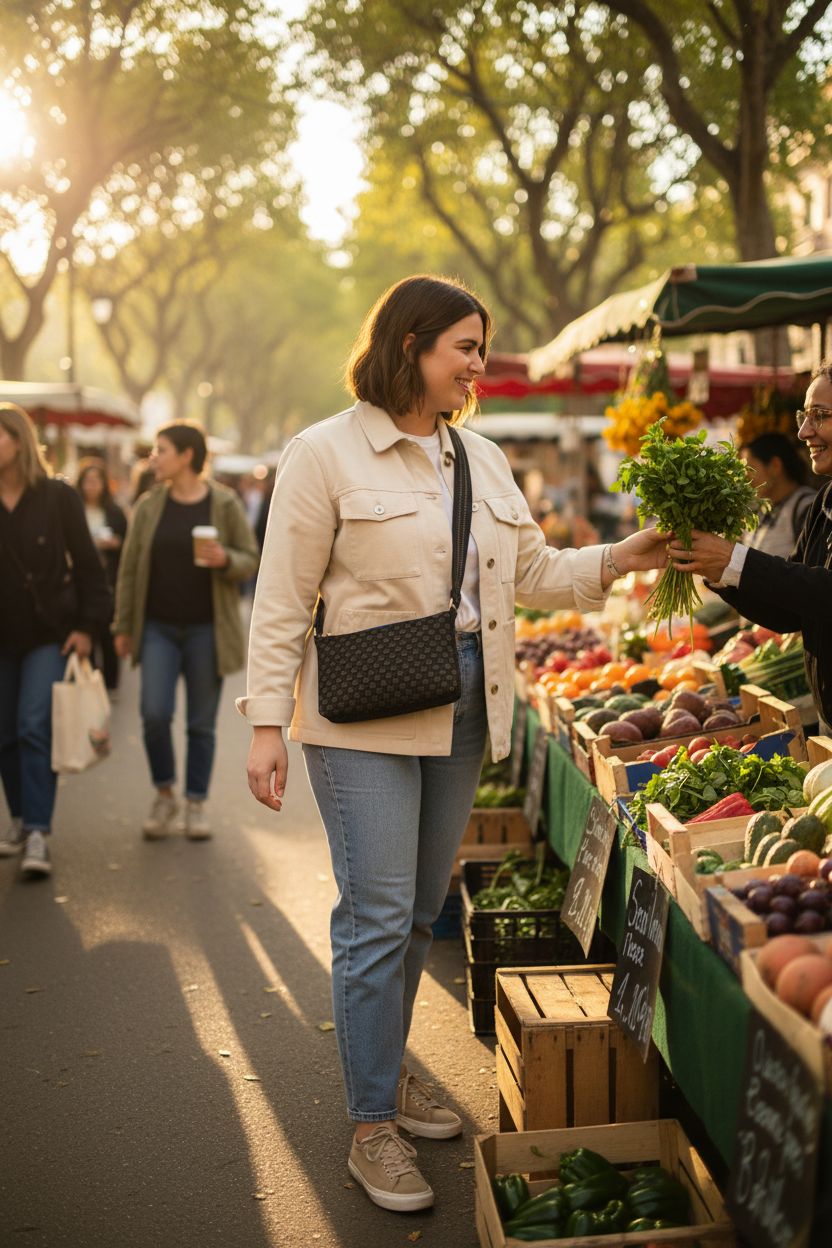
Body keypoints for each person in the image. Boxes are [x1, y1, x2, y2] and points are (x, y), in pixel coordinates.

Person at [239, 275, 668, 1213]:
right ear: (411, 346)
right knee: (377, 912)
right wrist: (267, 723)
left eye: (481, 348)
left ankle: (386, 1071)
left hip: (469, 701)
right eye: (465, 348)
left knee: (420, 908)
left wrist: (620, 556)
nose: (479, 366)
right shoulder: (323, 453)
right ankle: (370, 1127)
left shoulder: (481, 457)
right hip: (361, 711)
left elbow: (532, 572)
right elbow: (281, 599)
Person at [113, 422, 259, 842]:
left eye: (161, 450)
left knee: (201, 725)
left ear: (187, 456)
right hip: (156, 628)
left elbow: (250, 558)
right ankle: (165, 794)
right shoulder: (148, 506)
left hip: (206, 630)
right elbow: (129, 569)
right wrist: (122, 625)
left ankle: (195, 803)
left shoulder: (224, 503)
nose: (153, 458)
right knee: (154, 715)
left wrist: (224, 559)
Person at [668, 362, 832, 728]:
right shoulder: (824, 502)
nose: (804, 431)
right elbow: (790, 612)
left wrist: (735, 559)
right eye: (804, 416)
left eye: (820, 416)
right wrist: (720, 571)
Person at [0, 404, 111, 878]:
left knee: (31, 724)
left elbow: (88, 565)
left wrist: (87, 627)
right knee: (4, 733)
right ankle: (21, 819)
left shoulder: (57, 496)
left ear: (19, 441)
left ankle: (38, 832)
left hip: (50, 635)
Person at [75, 457, 128, 691]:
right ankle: (87, 683)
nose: (91, 486)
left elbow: (128, 545)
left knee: (108, 634)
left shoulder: (115, 512)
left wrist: (115, 543)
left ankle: (110, 683)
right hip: (79, 581)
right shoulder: (74, 509)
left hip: (109, 579)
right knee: (87, 633)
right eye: (87, 481)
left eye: (96, 481)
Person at [738, 432, 815, 559]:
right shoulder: (759, 510)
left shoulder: (808, 508)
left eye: (750, 469)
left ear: (775, 465)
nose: (745, 479)